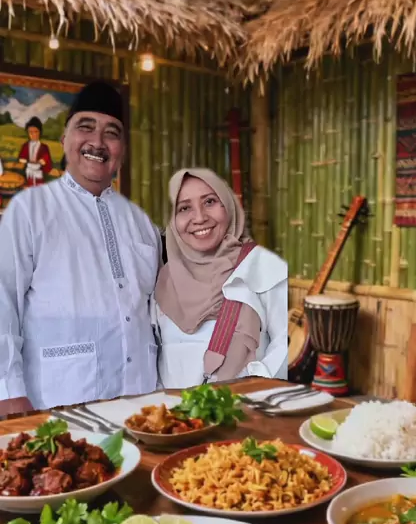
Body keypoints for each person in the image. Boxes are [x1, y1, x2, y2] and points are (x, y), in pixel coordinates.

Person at [0, 80, 162, 416]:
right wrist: (7, 390)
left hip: (143, 403)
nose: (97, 142)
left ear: (122, 149)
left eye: (112, 133)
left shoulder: (141, 222)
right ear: (64, 139)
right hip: (60, 399)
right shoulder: (30, 211)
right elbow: (4, 303)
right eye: (85, 127)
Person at [153, 167, 288, 388]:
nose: (199, 217)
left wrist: (251, 388)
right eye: (184, 208)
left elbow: (284, 347)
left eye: (210, 202)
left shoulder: (261, 266)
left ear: (229, 205)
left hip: (247, 404)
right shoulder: (164, 281)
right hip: (173, 408)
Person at [17, 116, 53, 186]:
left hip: (38, 175)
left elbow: (44, 161)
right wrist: (31, 161)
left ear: (40, 132)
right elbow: (21, 159)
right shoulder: (25, 146)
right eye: (30, 132)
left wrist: (31, 161)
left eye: (36, 132)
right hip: (28, 174)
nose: (33, 134)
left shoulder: (44, 147)